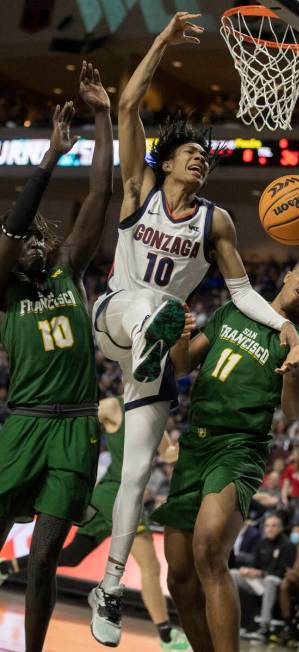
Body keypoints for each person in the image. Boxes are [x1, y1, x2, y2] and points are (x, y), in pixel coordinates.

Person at [90, 10, 299, 646]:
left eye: (206, 158)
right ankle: (160, 334)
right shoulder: (140, 187)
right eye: (192, 154)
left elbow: (241, 292)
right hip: (119, 317)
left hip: (150, 358)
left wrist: (286, 328)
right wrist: (161, 40)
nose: (201, 162)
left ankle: (111, 584)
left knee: (134, 473)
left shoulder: (217, 223)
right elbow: (127, 106)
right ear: (169, 160)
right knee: (160, 306)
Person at [152, 254, 299, 652]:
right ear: (287, 275)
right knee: (179, 576)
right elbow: (182, 365)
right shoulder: (234, 310)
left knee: (208, 550)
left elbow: (294, 410)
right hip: (195, 444)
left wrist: (291, 375)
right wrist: (181, 332)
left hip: (238, 448)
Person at [0, 62, 113, 652]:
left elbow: (100, 193)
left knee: (44, 561)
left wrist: (101, 115)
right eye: (27, 241)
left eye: (47, 237)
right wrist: (47, 157)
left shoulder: (67, 270)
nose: (36, 242)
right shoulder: (4, 287)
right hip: (22, 424)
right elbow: (14, 227)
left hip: (73, 427)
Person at [0, 396, 190, 651]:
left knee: (72, 556)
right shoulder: (114, 406)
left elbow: (168, 455)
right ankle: (166, 637)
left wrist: (197, 439)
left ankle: (7, 566)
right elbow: (78, 424)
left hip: (113, 496)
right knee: (151, 567)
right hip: (117, 493)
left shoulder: (156, 415)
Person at [230, 514, 296, 640]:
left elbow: (283, 572)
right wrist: (247, 570)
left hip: (277, 583)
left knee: (270, 580)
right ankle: (233, 619)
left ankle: (264, 626)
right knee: (232, 574)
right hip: (260, 582)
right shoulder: (262, 543)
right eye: (267, 526)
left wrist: (261, 573)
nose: (270, 529)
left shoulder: (287, 545)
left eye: (274, 526)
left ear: (280, 528)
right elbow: (255, 564)